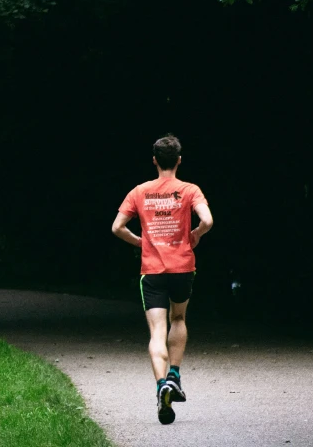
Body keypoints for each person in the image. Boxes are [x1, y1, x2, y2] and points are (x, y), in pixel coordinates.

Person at [111, 134, 213, 425]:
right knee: (178, 319)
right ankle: (175, 376)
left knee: (157, 331)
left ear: (154, 160)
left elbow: (117, 227)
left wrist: (139, 242)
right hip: (182, 268)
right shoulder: (190, 190)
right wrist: (195, 235)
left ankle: (161, 387)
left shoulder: (139, 191)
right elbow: (207, 221)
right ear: (179, 160)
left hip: (152, 271)